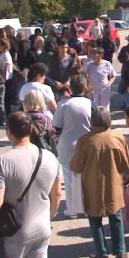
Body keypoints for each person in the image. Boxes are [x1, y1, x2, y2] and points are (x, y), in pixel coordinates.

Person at [0, 111, 63, 258]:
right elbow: (57, 193)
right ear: (31, 129)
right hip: (42, 227)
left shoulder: (2, 162)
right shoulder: (49, 157)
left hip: (14, 232)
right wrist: (50, 216)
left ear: (8, 131)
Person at [70, 107, 129, 258]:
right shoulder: (118, 138)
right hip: (114, 185)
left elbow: (76, 166)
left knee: (95, 220)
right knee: (116, 218)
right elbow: (126, 164)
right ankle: (120, 252)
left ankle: (101, 254)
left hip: (92, 186)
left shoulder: (85, 140)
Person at [53, 74, 92, 219]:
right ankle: (87, 207)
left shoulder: (63, 104)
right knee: (86, 178)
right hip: (87, 145)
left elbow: (56, 127)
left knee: (68, 178)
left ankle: (72, 209)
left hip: (67, 144)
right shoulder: (91, 104)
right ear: (85, 87)